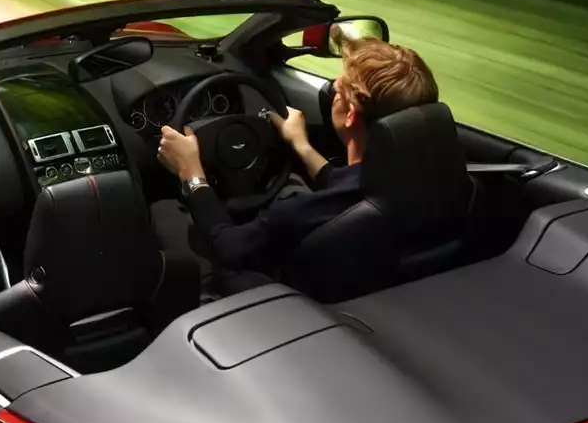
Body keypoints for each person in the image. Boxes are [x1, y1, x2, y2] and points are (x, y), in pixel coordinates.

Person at [154, 38, 439, 282]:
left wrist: (191, 172)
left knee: (166, 212)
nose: (331, 96)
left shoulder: (298, 213)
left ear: (350, 114)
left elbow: (230, 246)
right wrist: (301, 146)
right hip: (389, 287)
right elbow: (348, 184)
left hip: (296, 305)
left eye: (335, 91)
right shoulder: (433, 178)